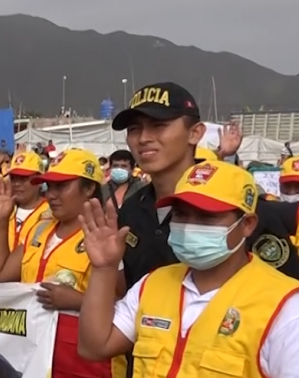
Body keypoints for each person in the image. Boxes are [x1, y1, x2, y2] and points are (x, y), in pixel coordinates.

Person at [78, 160, 299, 378]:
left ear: (246, 224)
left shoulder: (284, 305)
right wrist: (104, 268)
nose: (189, 226)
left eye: (206, 216)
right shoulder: (152, 285)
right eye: (181, 215)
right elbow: (94, 346)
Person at [0, 148, 127, 378]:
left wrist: (76, 300)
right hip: (34, 374)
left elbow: (125, 308)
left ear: (89, 187)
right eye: (49, 186)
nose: (52, 194)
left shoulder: (106, 235)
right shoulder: (39, 230)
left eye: (63, 186)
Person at [112, 82, 299, 286]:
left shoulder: (239, 206)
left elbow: (285, 294)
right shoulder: (131, 210)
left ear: (195, 133)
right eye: (134, 129)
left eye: (158, 126)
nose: (143, 138)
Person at [0, 151, 50, 249]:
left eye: (23, 178)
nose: (16, 184)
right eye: (13, 178)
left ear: (39, 180)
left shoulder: (52, 212)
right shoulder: (0, 209)